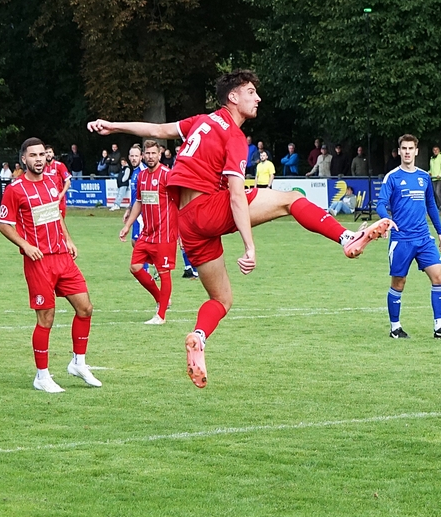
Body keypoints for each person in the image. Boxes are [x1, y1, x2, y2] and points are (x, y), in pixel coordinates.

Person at [87, 69, 393, 388]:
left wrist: (114, 126)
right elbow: (235, 195)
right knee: (291, 199)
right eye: (250, 92)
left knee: (221, 299)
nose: (257, 98)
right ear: (233, 97)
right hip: (207, 209)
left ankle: (199, 337)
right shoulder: (233, 136)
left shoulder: (201, 121)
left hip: (187, 223)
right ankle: (346, 237)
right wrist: (250, 246)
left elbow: (158, 129)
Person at [0, 137, 101, 392]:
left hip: (62, 257)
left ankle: (78, 363)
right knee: (46, 318)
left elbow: (55, 214)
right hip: (39, 261)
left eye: (41, 154)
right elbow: (4, 225)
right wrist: (25, 245)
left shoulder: (53, 182)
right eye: (33, 155)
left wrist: (68, 239)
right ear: (24, 159)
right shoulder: (15, 189)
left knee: (85, 308)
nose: (38, 159)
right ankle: (42, 376)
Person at [376, 134, 441, 340]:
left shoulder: (424, 177)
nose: (407, 152)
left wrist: (440, 232)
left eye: (410, 148)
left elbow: (431, 205)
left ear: (416, 151)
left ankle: (440, 327)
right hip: (401, 239)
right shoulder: (392, 177)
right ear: (399, 151)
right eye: (404, 148)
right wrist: (387, 220)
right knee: (399, 282)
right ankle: (395, 328)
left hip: (423, 238)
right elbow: (380, 204)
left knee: (438, 276)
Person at [118, 140, 177, 324]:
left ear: (160, 155)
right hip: (147, 233)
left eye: (154, 153)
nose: (150, 157)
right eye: (148, 153)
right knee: (135, 267)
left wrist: (182, 232)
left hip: (165, 234)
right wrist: (127, 225)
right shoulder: (141, 176)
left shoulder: (168, 175)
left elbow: (180, 202)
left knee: (164, 272)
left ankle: (161, 316)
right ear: (144, 155)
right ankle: (161, 299)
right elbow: (139, 202)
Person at [44, 145, 72, 216]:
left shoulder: (60, 165)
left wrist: (61, 195)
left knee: (60, 220)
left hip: (58, 198)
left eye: (50, 152)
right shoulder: (41, 167)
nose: (48, 154)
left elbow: (68, 181)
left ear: (53, 154)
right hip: (45, 199)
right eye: (46, 152)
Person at [428, 145, 441, 211]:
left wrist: (440, 174)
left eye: (436, 150)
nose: (435, 151)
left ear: (439, 150)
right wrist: (429, 172)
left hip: (439, 178)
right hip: (433, 178)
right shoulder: (432, 158)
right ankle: (438, 205)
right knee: (435, 193)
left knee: (438, 191)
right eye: (434, 150)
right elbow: (431, 168)